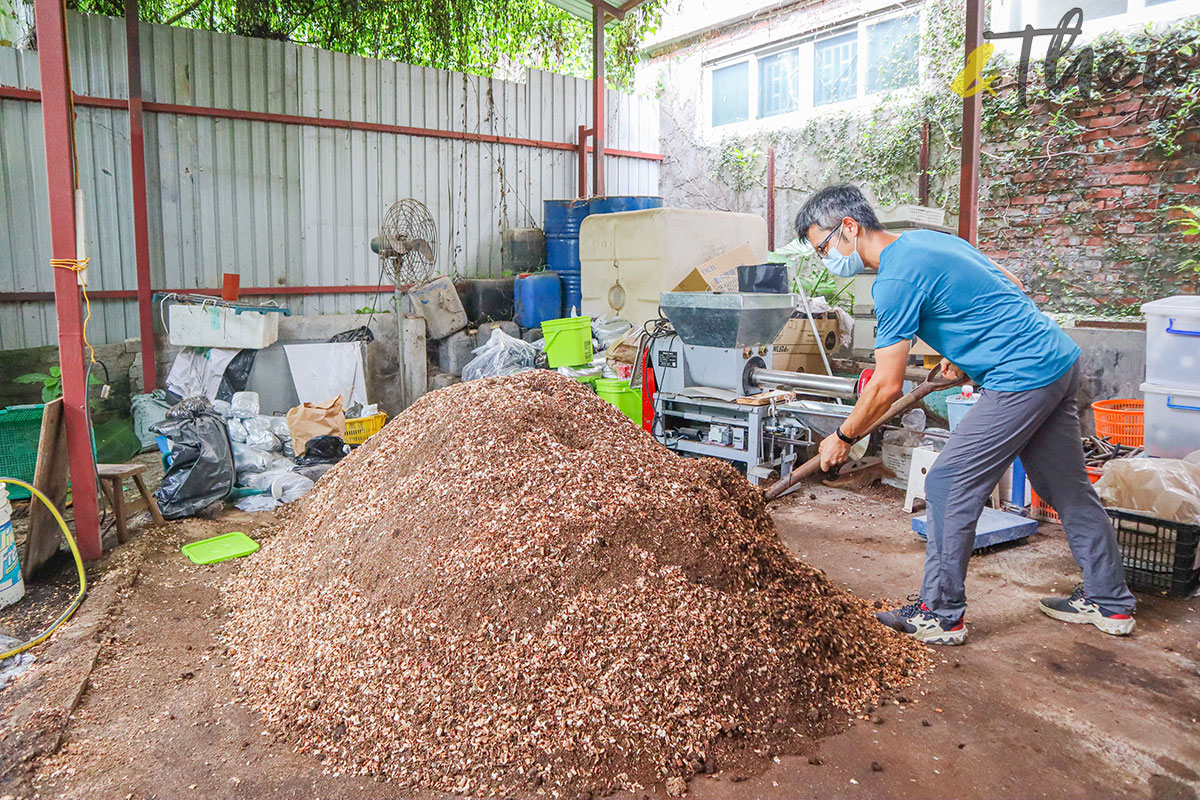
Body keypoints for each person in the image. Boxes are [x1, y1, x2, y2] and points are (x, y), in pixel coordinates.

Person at [793, 185, 1136, 645]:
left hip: (1022, 377)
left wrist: (844, 435)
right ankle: (1110, 602)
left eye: (822, 247)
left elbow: (885, 385)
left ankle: (940, 613)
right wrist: (966, 352)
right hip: (1057, 358)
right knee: (1064, 486)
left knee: (948, 482)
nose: (825, 259)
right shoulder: (926, 241)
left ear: (849, 228)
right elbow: (1007, 285)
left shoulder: (893, 280)